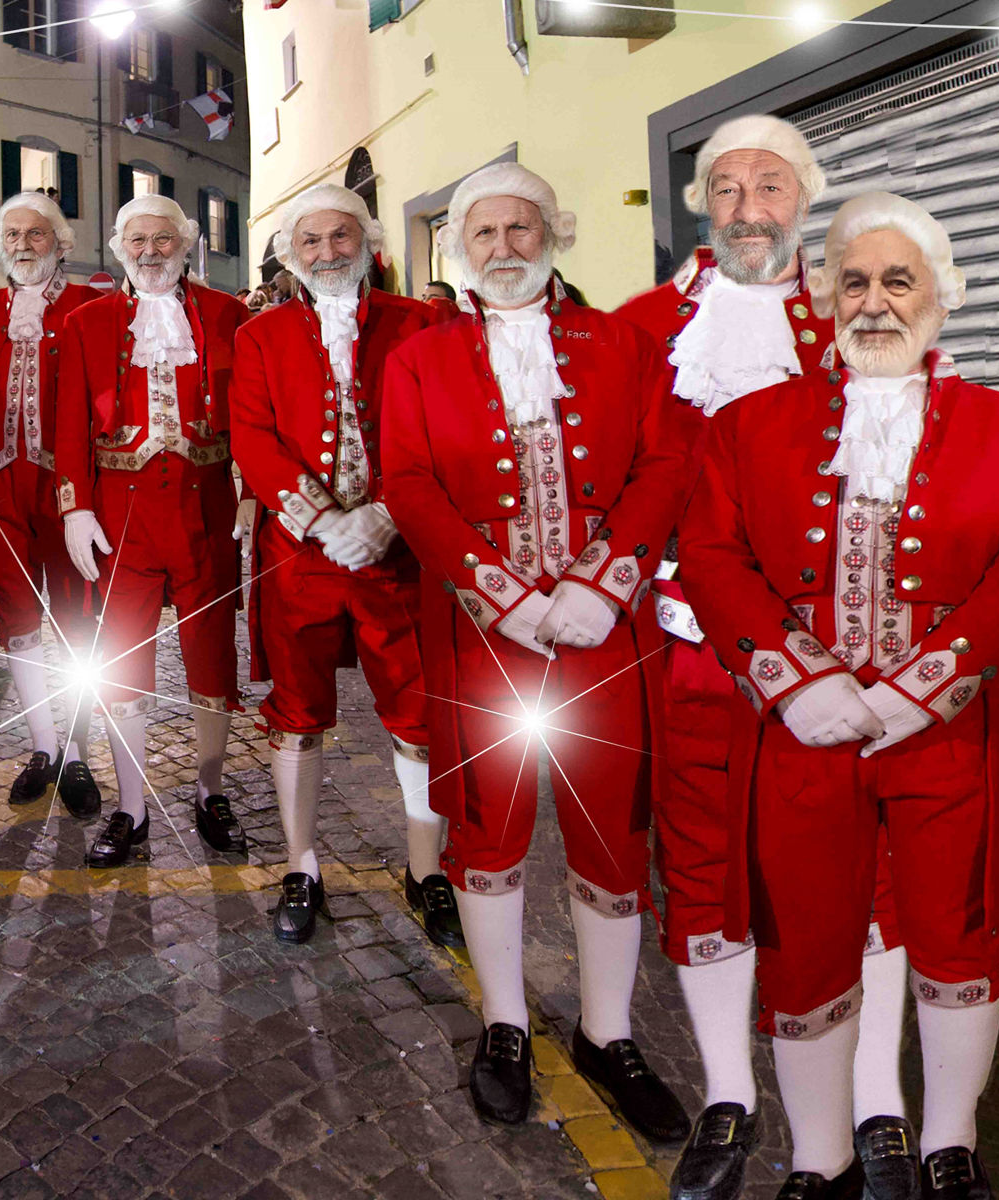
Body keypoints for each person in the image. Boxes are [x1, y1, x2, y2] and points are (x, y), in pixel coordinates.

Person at [679, 191, 999, 1200]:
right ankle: (817, 1157)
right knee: (805, 947)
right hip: (799, 736)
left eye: (896, 281)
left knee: (958, 937)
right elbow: (708, 553)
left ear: (940, 300)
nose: (872, 303)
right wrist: (792, 682)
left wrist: (931, 682)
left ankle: (946, 1141)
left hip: (948, 737)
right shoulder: (744, 426)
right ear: (824, 296)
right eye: (853, 282)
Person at [616, 115, 914, 1200]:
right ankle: (727, 1097)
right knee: (700, 881)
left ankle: (876, 1107)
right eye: (726, 188)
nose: (749, 209)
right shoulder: (642, 327)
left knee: (862, 877)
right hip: (694, 656)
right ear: (701, 202)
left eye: (770, 186)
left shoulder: (858, 307)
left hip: (838, 665)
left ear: (806, 198)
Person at [380, 164, 699, 1144]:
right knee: (488, 832)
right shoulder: (416, 360)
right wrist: (500, 591)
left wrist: (603, 581)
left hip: (607, 632)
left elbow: (664, 461)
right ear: (458, 250)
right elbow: (408, 480)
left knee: (611, 837)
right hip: (482, 637)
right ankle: (504, 1024)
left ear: (550, 233)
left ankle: (606, 1034)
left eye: (521, 227)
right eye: (483, 233)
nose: (504, 246)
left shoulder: (622, 343)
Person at [230, 182, 458, 947]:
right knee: (295, 715)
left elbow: (439, 430)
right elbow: (254, 440)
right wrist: (325, 522)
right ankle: (302, 863)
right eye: (311, 242)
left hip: (400, 558)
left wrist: (386, 514)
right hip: (301, 557)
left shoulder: (420, 323)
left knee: (420, 716)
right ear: (292, 257)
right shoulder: (259, 337)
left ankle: (427, 869)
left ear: (368, 243)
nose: (328, 253)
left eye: (341, 237)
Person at [54, 194, 249, 867]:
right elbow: (71, 419)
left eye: (163, 239)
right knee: (118, 661)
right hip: (119, 518)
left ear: (186, 244)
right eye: (137, 240)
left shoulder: (228, 314)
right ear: (119, 247)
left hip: (207, 511)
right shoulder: (88, 322)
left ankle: (209, 788)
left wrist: (252, 495)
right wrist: (75, 507)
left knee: (212, 656)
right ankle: (131, 807)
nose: (150, 252)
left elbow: (251, 414)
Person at [0, 191, 102, 815]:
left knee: (76, 618)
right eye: (12, 235)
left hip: (66, 490)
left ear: (60, 242)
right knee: (16, 615)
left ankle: (77, 750)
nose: (23, 245)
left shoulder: (90, 308)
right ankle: (43, 746)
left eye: (36, 235)